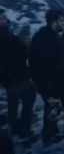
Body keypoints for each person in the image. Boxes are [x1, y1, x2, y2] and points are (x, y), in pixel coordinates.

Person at [29, 9, 64, 145]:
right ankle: (48, 136)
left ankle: (52, 132)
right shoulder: (50, 39)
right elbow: (46, 63)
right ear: (53, 22)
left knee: (51, 107)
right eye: (61, 21)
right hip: (50, 83)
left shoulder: (41, 35)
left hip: (45, 82)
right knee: (52, 108)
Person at [0, 11, 35, 140]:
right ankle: (24, 129)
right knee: (28, 101)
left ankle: (15, 128)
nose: (5, 20)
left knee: (13, 104)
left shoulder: (7, 35)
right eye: (2, 18)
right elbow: (21, 53)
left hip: (11, 77)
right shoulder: (6, 37)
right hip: (17, 76)